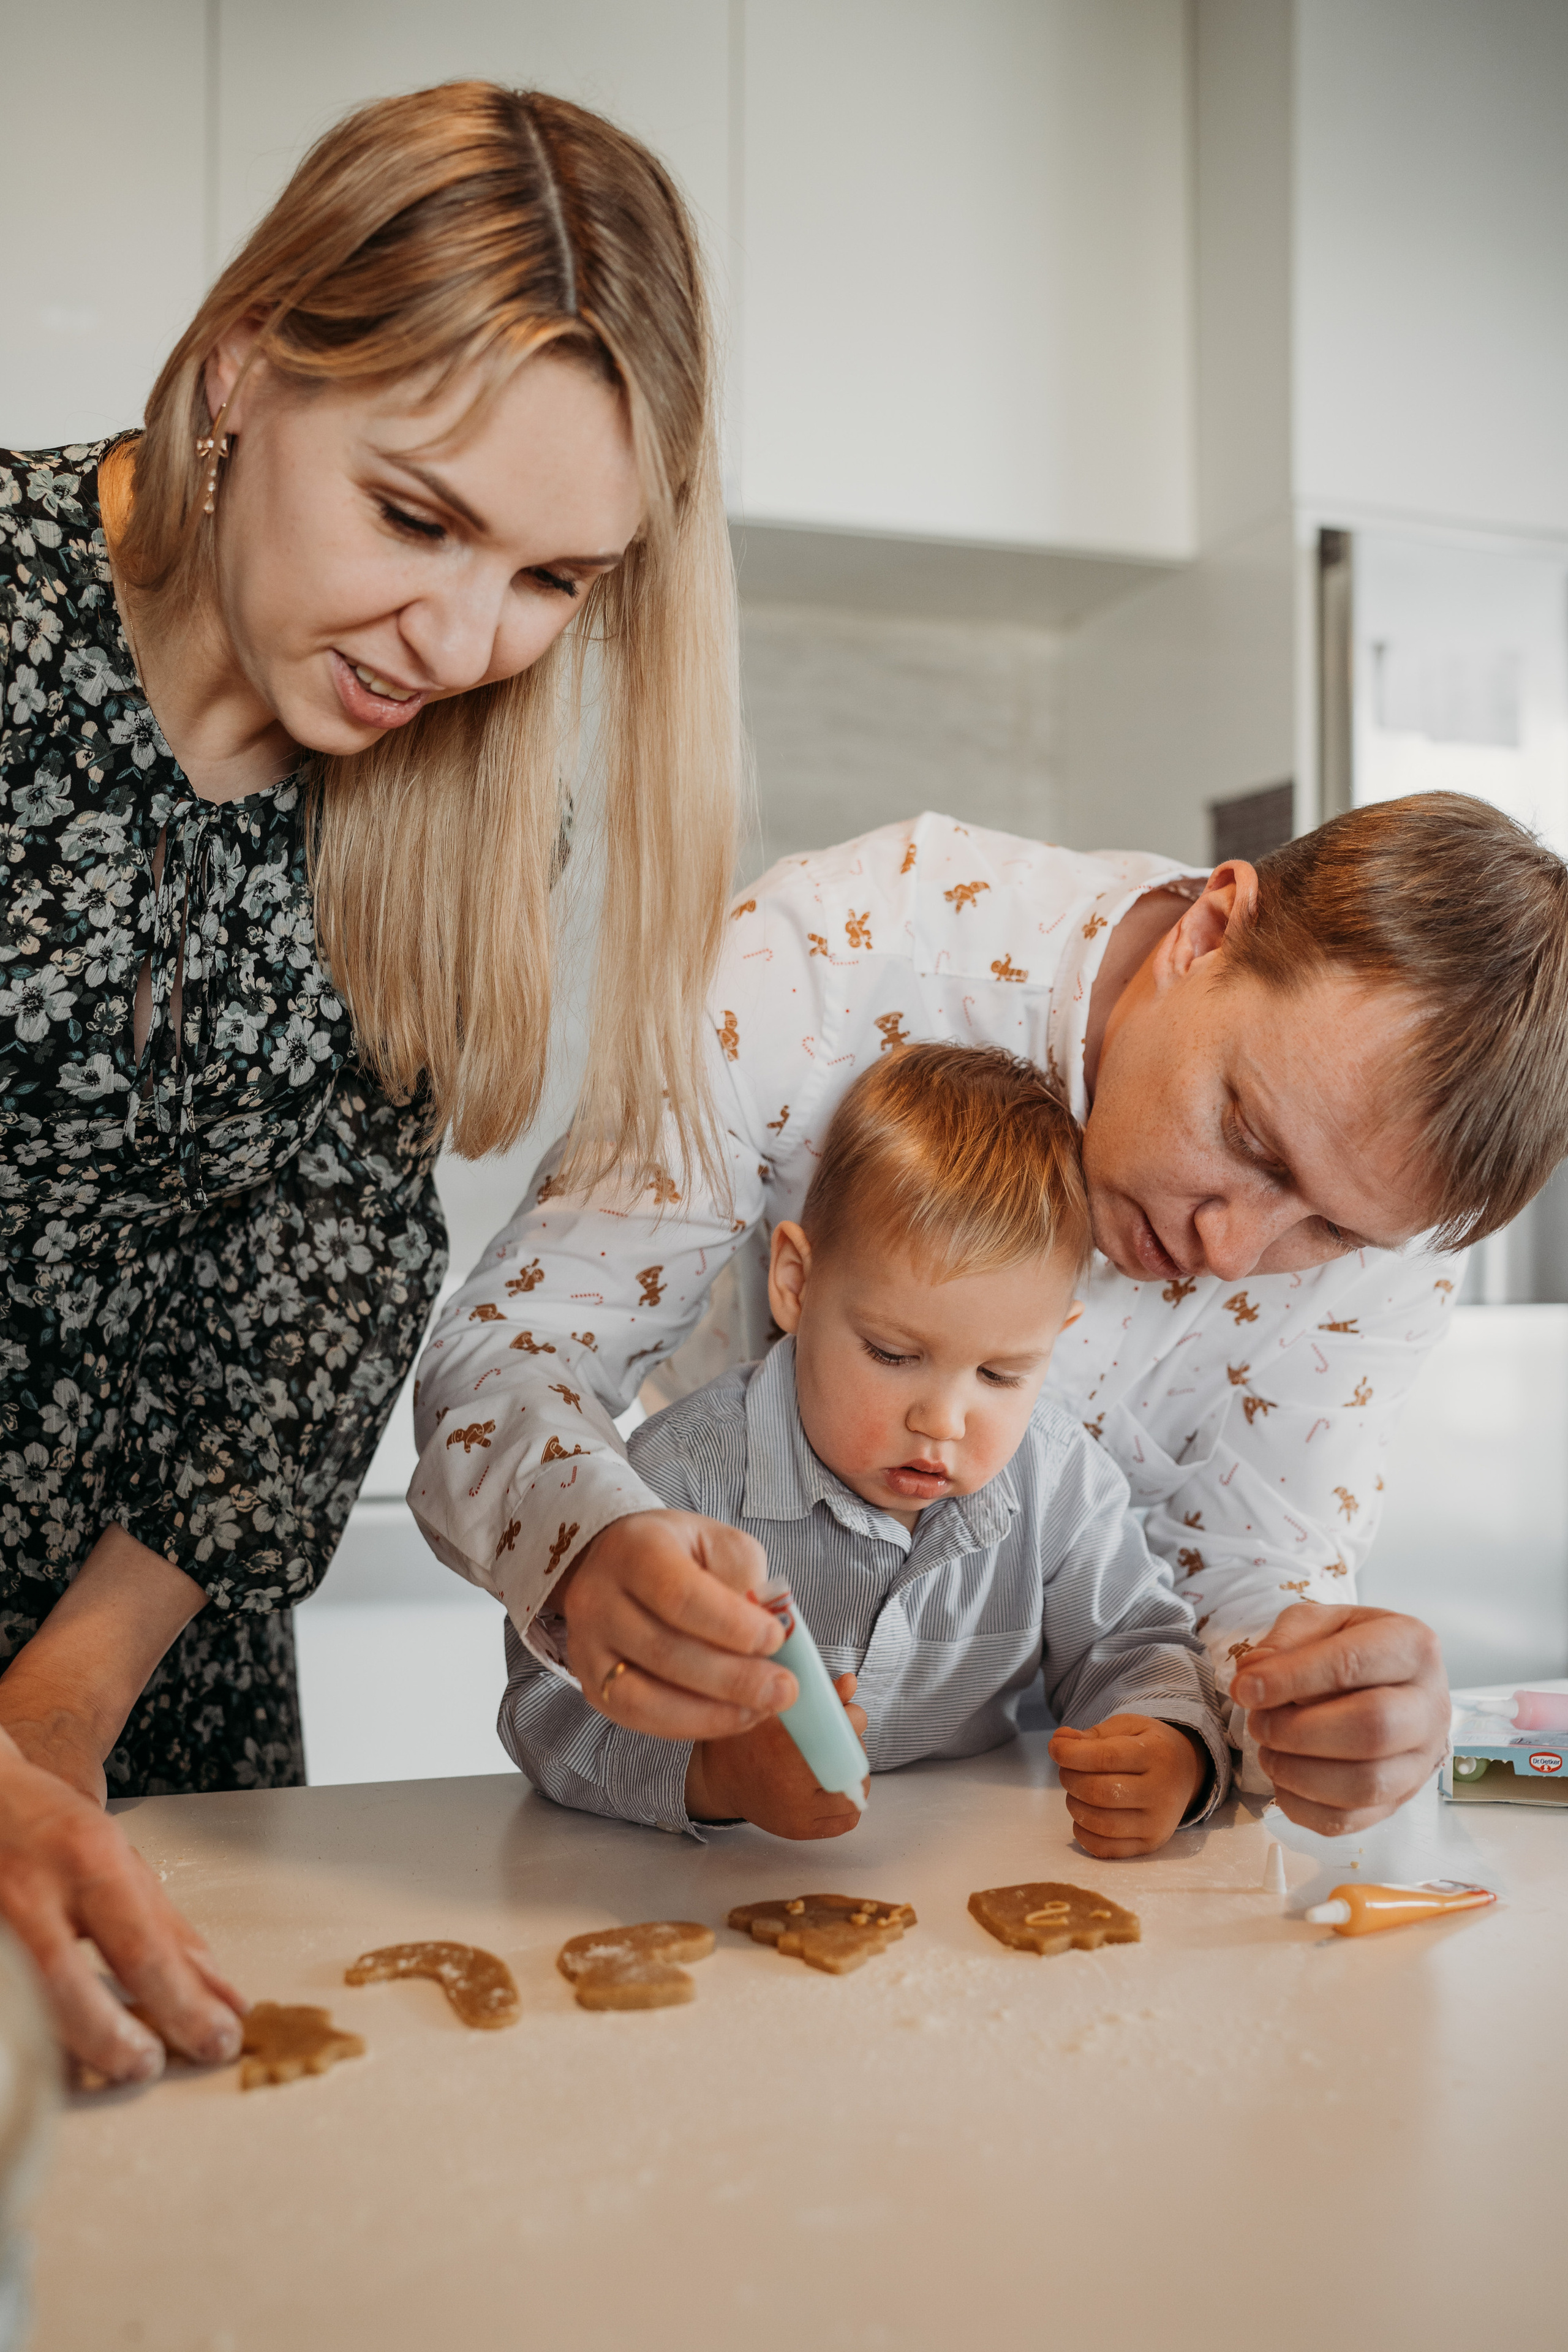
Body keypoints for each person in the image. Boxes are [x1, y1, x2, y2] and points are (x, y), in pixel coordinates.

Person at [0, 83, 741, 2083]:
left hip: (145, 1705)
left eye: (553, 581)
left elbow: (317, 1287)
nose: (463, 639)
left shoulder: (458, 788)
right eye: (417, 517)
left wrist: (53, 1725)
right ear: (244, 370)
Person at [412, 794, 1568, 1833]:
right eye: (1250, 1138)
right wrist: (595, 1545)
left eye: (1326, 1237)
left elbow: (1255, 1568)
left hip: (1029, 1809)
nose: (1231, 1253)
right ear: (1210, 933)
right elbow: (524, 1347)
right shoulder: (832, 959)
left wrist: (1313, 1701)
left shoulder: (1398, 1223)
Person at [503, 1044, 1231, 1850]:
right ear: (796, 1285)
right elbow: (547, 1711)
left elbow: (1134, 1644)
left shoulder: (1059, 1480)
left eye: (999, 1372)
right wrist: (712, 1778)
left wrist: (1172, 1750)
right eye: (892, 1354)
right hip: (719, 1888)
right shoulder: (670, 1482)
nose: (943, 1422)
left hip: (962, 1879)